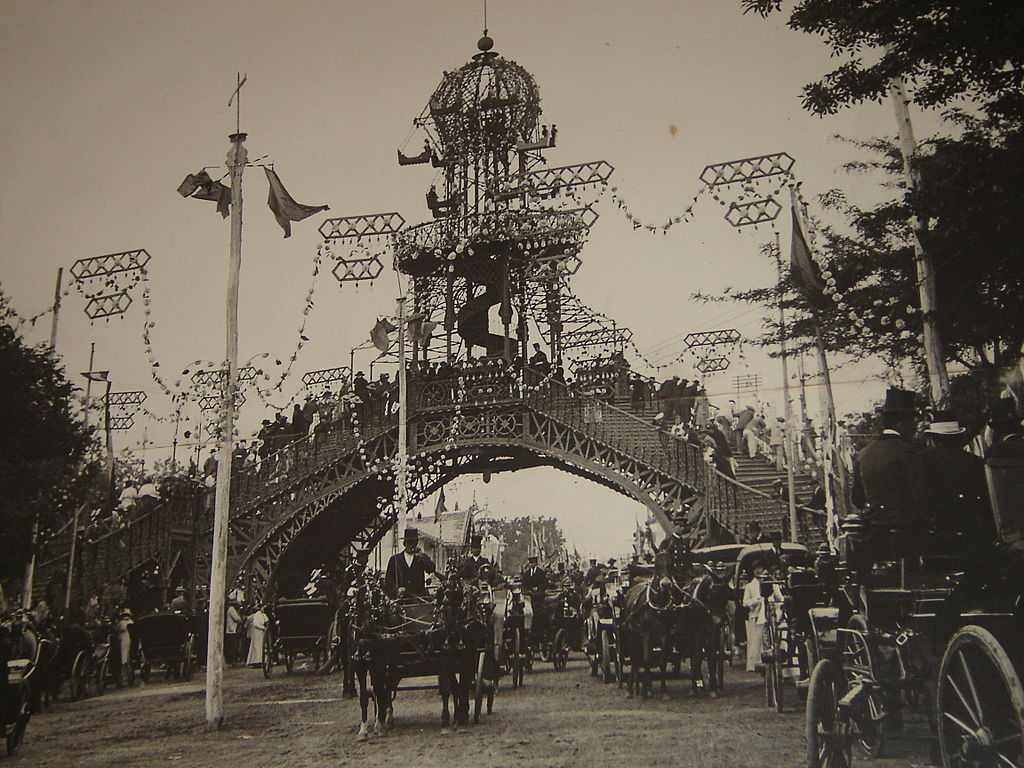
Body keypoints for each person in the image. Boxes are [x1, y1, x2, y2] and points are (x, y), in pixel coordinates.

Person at [850, 388, 923, 563]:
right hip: (909, 532)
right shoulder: (909, 451)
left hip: (875, 531)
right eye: (912, 421)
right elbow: (922, 494)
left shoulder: (864, 453)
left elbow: (857, 499)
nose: (915, 427)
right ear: (900, 423)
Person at [908, 410, 993, 541]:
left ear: (934, 438)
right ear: (957, 437)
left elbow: (920, 496)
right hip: (971, 529)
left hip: (937, 530)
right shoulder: (974, 461)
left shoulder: (920, 460)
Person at [384, 528, 436, 598]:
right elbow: (388, 581)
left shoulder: (420, 558)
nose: (411, 545)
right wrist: (397, 590)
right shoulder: (395, 559)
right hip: (402, 599)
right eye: (409, 542)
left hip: (419, 598)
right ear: (404, 544)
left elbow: (431, 569)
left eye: (414, 543)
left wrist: (423, 557)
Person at [225, 598, 244, 665]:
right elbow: (237, 619)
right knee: (232, 647)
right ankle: (232, 660)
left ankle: (231, 659)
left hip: (231, 630)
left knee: (232, 646)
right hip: (231, 630)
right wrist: (241, 619)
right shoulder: (231, 610)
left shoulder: (231, 609)